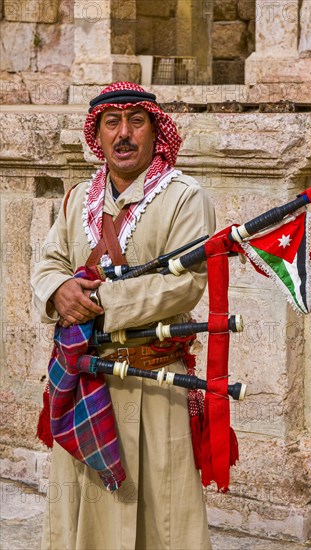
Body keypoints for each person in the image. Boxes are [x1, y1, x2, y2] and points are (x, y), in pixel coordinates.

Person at [31, 81, 215, 550]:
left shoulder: (184, 197)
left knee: (162, 514)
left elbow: (186, 283)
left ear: (156, 132)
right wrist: (59, 290)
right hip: (83, 383)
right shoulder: (78, 200)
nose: (124, 134)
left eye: (136, 121)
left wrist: (98, 305)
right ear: (99, 134)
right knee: (84, 512)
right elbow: (49, 261)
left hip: (152, 382)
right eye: (112, 123)